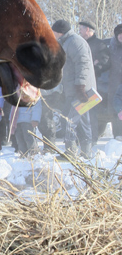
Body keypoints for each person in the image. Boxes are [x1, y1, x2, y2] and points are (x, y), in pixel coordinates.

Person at [51, 19, 96, 159]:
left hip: (81, 91)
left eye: (53, 31)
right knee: (82, 122)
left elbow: (83, 64)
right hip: (74, 89)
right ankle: (86, 153)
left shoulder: (74, 42)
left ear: (59, 32)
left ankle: (71, 152)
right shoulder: (66, 42)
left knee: (69, 120)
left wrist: (80, 87)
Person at [78, 19, 110, 142]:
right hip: (80, 84)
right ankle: (82, 138)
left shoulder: (99, 44)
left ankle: (92, 139)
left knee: (91, 113)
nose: (79, 31)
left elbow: (105, 62)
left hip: (94, 85)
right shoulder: (80, 43)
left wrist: (92, 67)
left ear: (88, 29)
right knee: (80, 112)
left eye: (81, 29)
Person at [107, 23, 122, 140]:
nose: (121, 36)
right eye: (119, 34)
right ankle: (117, 135)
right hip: (115, 82)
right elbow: (106, 62)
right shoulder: (111, 48)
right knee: (115, 110)